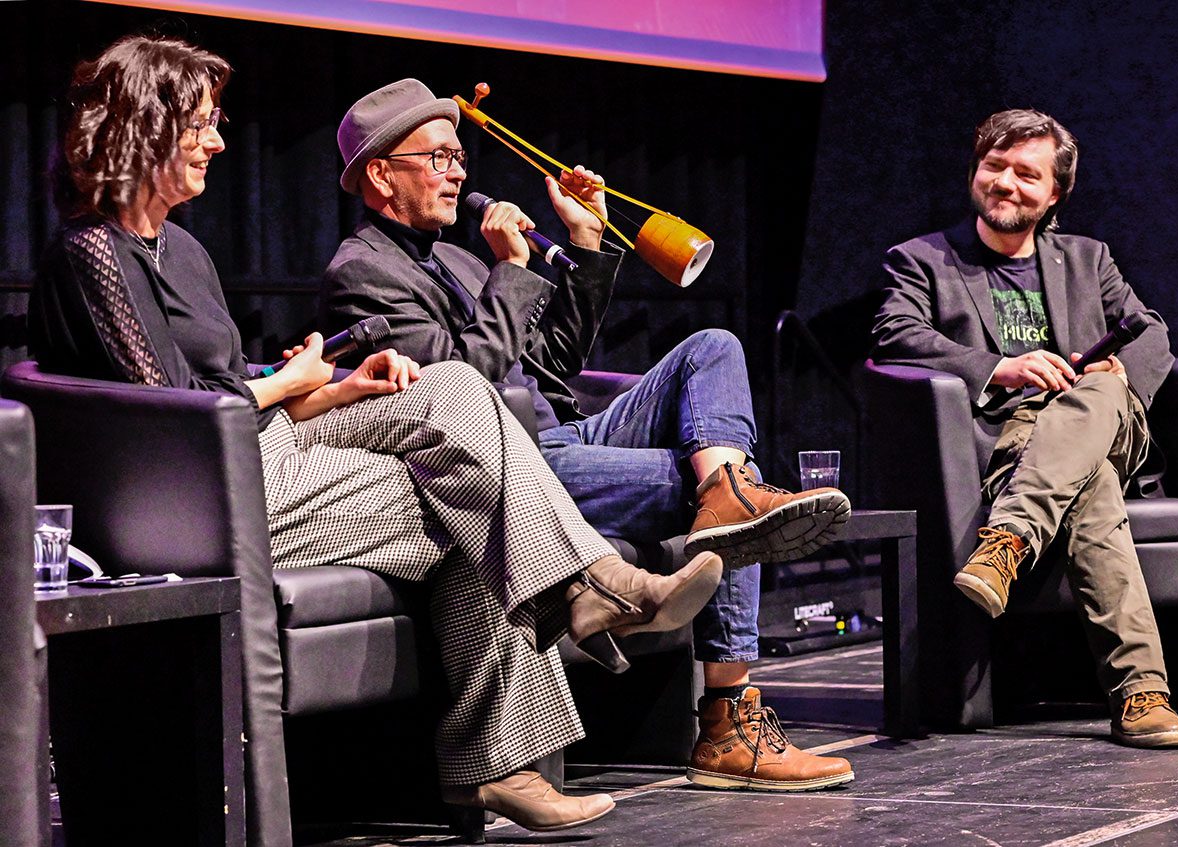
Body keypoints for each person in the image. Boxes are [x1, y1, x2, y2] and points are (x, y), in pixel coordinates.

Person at [29, 35, 728, 836]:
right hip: (198, 498)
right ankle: (521, 715)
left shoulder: (181, 248)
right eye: (201, 124)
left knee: (457, 401)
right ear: (144, 127)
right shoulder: (90, 253)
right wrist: (281, 387)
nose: (219, 142)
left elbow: (228, 395)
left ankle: (580, 610)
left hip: (262, 452)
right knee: (469, 497)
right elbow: (170, 414)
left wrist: (327, 392)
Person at [319, 79, 856, 791]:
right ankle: (728, 719)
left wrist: (585, 240)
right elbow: (459, 388)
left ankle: (726, 492)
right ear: (381, 174)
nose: (458, 171)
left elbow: (551, 362)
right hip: (506, 465)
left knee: (715, 348)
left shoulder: (452, 257)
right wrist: (512, 272)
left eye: (458, 155)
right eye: (438, 157)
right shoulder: (361, 270)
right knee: (730, 498)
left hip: (563, 432)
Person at [872, 108, 1178, 749]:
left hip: (1102, 421)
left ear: (1054, 194)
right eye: (994, 166)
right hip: (1006, 444)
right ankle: (1141, 694)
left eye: (1026, 173)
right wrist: (1003, 368)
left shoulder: (1087, 258)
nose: (1006, 183)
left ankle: (1007, 541)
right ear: (975, 171)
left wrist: (1114, 373)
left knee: (1096, 386)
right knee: (1089, 485)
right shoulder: (922, 261)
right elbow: (894, 333)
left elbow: (1150, 330)